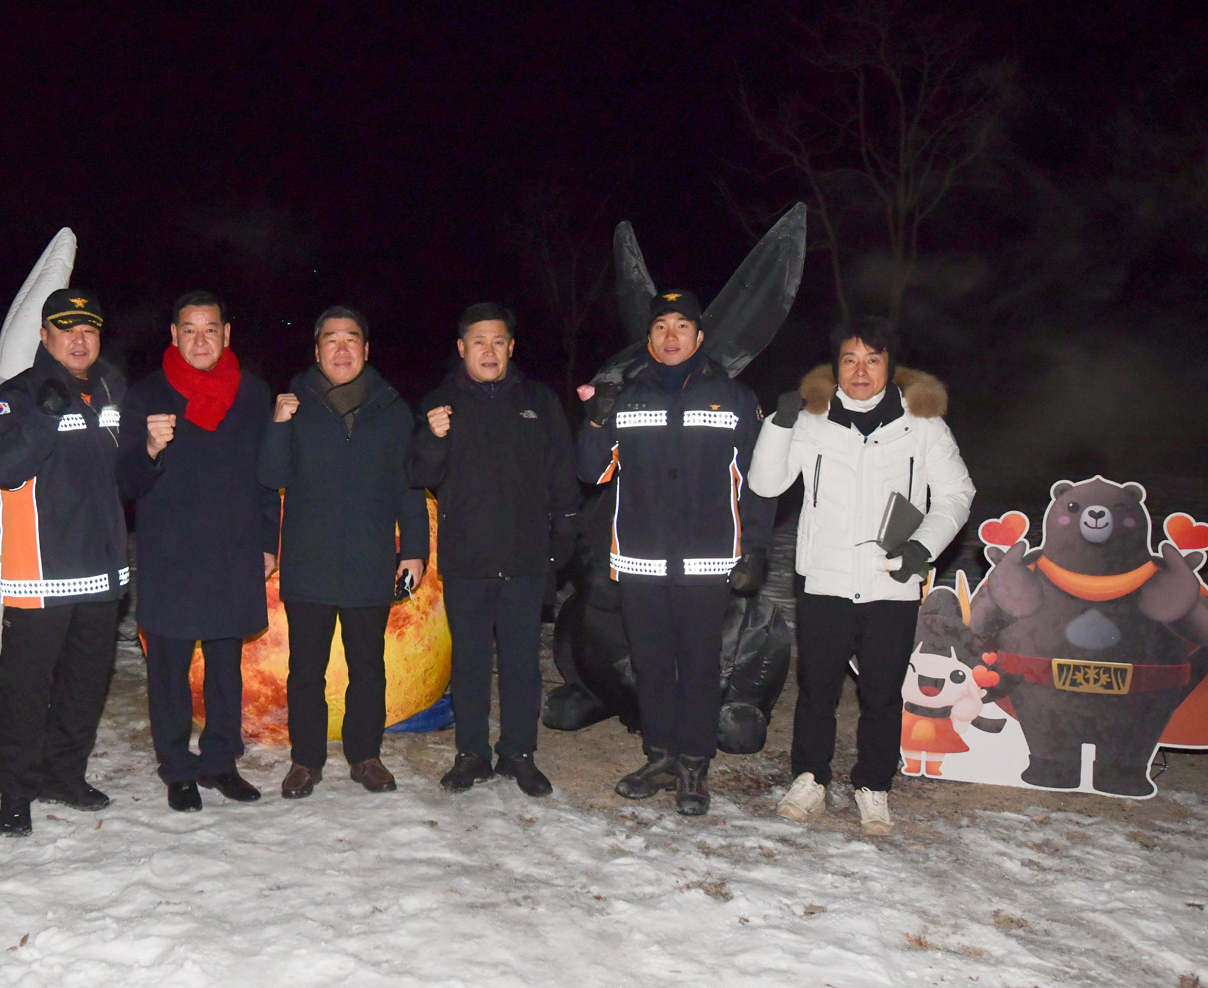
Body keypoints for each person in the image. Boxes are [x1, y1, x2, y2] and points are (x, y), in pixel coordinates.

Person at [748, 315, 974, 835]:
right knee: (817, 688)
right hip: (825, 577)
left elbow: (957, 493)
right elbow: (765, 484)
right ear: (835, 365)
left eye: (872, 359)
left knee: (882, 691)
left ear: (889, 366)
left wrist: (922, 547)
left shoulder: (921, 425)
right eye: (849, 359)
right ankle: (810, 778)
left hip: (889, 579)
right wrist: (779, 424)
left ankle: (874, 785)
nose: (860, 370)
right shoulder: (812, 420)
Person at [576, 290, 773, 815]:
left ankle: (693, 766)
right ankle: (661, 757)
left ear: (700, 337)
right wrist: (595, 419)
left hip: (707, 562)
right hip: (640, 560)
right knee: (651, 666)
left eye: (681, 326)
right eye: (661, 326)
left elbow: (758, 482)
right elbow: (590, 472)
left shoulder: (734, 398)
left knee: (701, 667)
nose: (670, 335)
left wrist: (755, 548)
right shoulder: (626, 397)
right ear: (649, 337)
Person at [116, 291, 279, 812]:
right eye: (190, 329)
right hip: (172, 552)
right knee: (169, 668)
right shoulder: (146, 395)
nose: (201, 339)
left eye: (211, 329)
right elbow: (126, 482)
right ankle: (177, 768)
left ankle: (219, 762)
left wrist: (268, 541)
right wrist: (149, 449)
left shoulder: (252, 393)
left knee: (226, 664)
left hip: (232, 547)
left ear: (227, 334)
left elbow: (265, 475)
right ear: (173, 335)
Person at [258, 306, 429, 798]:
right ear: (317, 350)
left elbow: (409, 485)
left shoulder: (392, 410)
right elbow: (270, 476)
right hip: (308, 560)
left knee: (368, 669)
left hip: (369, 559)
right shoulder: (294, 405)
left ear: (366, 349)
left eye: (351, 339)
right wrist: (277, 424)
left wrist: (414, 549)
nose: (341, 349)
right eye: (330, 340)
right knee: (305, 672)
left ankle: (365, 756)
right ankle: (305, 761)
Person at [408, 302, 578, 796]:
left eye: (498, 342)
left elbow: (562, 473)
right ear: (462, 348)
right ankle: (471, 754)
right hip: (467, 559)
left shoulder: (539, 401)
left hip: (525, 557)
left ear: (511, 347)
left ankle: (518, 754)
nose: (489, 351)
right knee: (470, 664)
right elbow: (419, 475)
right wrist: (433, 438)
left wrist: (565, 536)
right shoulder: (440, 403)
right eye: (479, 342)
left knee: (523, 664)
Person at [0, 289, 128, 837]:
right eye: (66, 329)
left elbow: (127, 472)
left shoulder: (113, 389)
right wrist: (46, 416)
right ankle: (16, 790)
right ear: (44, 336)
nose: (79, 339)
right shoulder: (13, 395)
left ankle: (64, 776)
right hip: (40, 571)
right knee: (26, 689)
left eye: (89, 329)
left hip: (102, 568)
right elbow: (7, 470)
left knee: (85, 685)